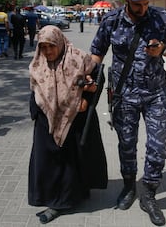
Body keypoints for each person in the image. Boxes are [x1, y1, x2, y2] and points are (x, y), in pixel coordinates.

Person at [89, 0, 166, 226]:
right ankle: (129, 186)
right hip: (123, 96)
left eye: (146, 2)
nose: (143, 8)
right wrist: (86, 75)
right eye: (137, 3)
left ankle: (148, 193)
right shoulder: (111, 21)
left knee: (158, 144)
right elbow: (96, 52)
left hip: (155, 94)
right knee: (126, 144)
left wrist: (161, 49)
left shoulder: (160, 17)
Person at [28, 25, 108, 224]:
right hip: (46, 119)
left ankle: (64, 201)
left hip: (75, 119)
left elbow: (98, 78)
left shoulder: (79, 58)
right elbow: (34, 89)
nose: (47, 52)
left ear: (60, 43)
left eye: (51, 46)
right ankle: (58, 198)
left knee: (72, 160)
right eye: (43, 47)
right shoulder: (38, 63)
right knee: (50, 161)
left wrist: (87, 99)